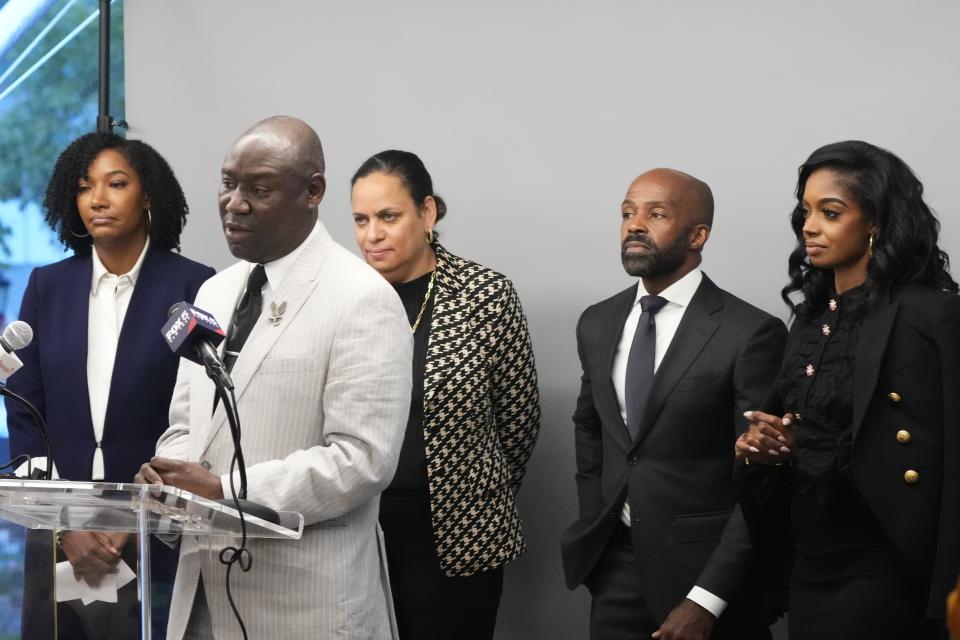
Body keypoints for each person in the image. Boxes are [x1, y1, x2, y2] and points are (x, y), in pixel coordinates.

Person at [135, 116, 412, 639]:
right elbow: (185, 423)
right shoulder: (213, 292)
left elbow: (363, 459)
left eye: (257, 189)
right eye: (227, 183)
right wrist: (167, 475)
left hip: (302, 605)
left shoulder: (362, 298)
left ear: (313, 191)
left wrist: (225, 489)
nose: (233, 203)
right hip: (199, 598)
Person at [735, 140, 960, 640]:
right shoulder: (811, 319)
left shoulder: (931, 314)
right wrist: (769, 447)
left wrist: (947, 595)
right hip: (810, 559)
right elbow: (812, 434)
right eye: (806, 211)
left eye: (830, 212)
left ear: (875, 221)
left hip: (889, 562)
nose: (809, 226)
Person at [560, 168, 786, 640]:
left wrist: (707, 600)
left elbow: (763, 481)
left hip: (707, 582)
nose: (634, 224)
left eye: (656, 213)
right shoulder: (598, 323)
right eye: (627, 213)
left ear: (698, 235)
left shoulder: (749, 333)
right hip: (615, 569)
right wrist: (596, 523)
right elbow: (591, 430)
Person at [6, 131, 214, 639]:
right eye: (84, 187)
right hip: (60, 534)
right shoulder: (48, 287)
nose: (97, 199)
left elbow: (200, 418)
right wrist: (63, 522)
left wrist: (134, 522)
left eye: (115, 184)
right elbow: (25, 414)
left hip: (158, 533)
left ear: (148, 196)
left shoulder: (195, 285)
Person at [350, 150, 541, 639]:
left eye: (388, 216)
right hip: (354, 535)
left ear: (428, 212)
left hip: (457, 538)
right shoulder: (343, 298)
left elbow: (518, 423)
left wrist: (464, 493)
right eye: (361, 219)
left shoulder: (485, 294)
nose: (373, 234)